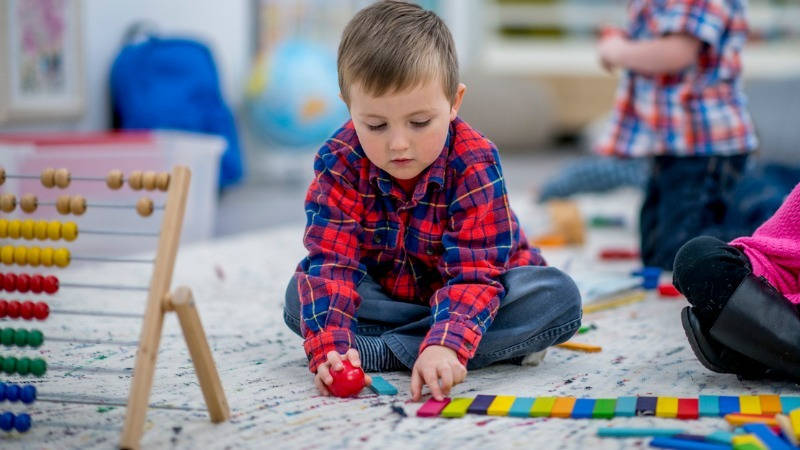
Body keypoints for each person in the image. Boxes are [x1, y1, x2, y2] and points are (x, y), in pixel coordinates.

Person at [283, 1, 581, 401]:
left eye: (420, 123)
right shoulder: (338, 161)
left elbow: (476, 274)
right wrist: (331, 351)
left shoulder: (474, 160)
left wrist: (448, 342)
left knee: (558, 298)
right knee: (297, 298)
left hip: (481, 291)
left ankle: (391, 350)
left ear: (454, 102)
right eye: (375, 125)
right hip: (393, 298)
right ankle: (431, 344)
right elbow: (332, 262)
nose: (399, 144)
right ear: (348, 106)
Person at [596, 0, 758, 270]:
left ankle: (753, 254)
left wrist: (619, 50)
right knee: (655, 247)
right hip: (672, 144)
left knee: (684, 249)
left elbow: (677, 54)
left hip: (705, 147)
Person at [674, 182, 800, 381]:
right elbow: (776, 252)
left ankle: (755, 350)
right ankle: (761, 350)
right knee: (698, 257)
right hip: (785, 303)